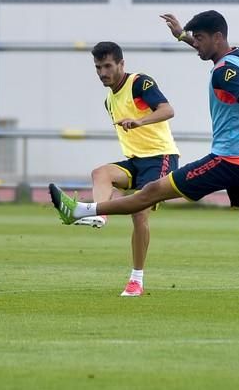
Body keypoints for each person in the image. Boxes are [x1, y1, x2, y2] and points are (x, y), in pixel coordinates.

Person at [49, 10, 239, 307]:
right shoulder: (238, 55)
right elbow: (222, 65)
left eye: (199, 38)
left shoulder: (222, 73)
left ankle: (81, 211)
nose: (197, 44)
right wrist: (182, 36)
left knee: (150, 193)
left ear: (217, 37)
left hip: (229, 162)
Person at [70, 41, 180, 297]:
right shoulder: (108, 101)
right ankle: (100, 213)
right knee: (101, 173)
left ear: (121, 64)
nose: (102, 72)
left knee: (139, 214)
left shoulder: (140, 83)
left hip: (161, 157)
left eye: (108, 66)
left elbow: (167, 110)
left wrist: (139, 121)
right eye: (98, 67)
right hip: (135, 162)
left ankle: (136, 280)